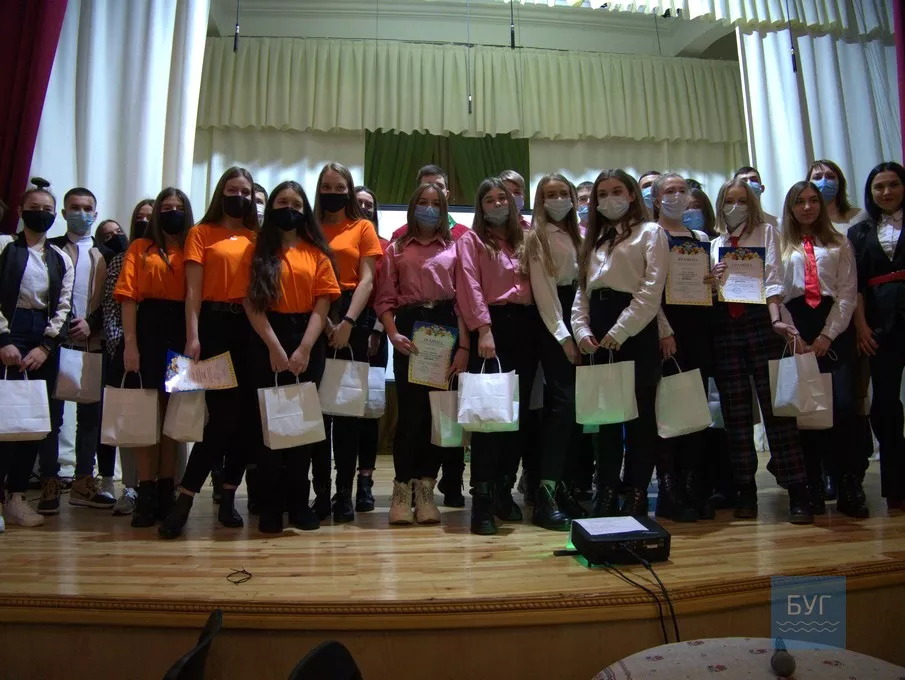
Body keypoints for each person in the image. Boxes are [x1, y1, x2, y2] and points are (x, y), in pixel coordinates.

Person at [158, 166, 259, 539]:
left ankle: (229, 496)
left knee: (245, 421)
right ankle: (185, 498)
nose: (240, 197)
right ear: (221, 192)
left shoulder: (257, 236)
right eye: (233, 190)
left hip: (251, 330)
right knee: (220, 420)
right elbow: (192, 291)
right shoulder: (200, 233)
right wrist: (193, 336)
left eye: (246, 192)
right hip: (214, 330)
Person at [709, 178, 812, 524]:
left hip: (762, 322)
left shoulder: (766, 232)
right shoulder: (716, 243)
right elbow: (711, 291)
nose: (734, 206)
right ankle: (745, 491)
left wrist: (776, 319)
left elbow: (773, 279)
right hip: (725, 326)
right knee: (735, 413)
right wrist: (712, 278)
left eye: (741, 200)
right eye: (729, 200)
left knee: (778, 409)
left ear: (751, 203)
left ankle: (798, 490)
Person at [241, 180, 340, 533]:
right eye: (282, 202)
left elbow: (322, 305)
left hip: (307, 339)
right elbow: (251, 303)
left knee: (302, 427)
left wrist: (304, 349)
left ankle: (298, 503)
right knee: (269, 426)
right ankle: (271, 505)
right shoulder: (255, 250)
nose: (289, 208)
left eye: (296, 204)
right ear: (271, 207)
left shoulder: (318, 253)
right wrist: (274, 347)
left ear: (305, 210)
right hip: (266, 338)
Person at [571, 170, 666, 517]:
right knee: (606, 418)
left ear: (631, 195)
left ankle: (636, 490)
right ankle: (606, 489)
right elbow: (583, 291)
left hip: (634, 328)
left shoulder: (651, 232)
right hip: (598, 330)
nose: (609, 199)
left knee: (640, 417)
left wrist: (622, 330)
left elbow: (651, 291)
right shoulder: (594, 240)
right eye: (602, 194)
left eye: (616, 191)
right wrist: (580, 328)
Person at [376, 183, 469, 525]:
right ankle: (402, 489)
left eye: (435, 203)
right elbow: (384, 299)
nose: (429, 208)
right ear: (413, 207)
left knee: (436, 415)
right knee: (411, 415)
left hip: (446, 329)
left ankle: (426, 489)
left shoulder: (456, 247)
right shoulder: (397, 248)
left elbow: (464, 299)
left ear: (444, 210)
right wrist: (392, 333)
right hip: (410, 330)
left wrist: (464, 346)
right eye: (423, 202)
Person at [779, 181, 868, 518]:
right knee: (804, 411)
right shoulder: (780, 245)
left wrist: (828, 334)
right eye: (799, 201)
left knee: (843, 407)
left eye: (813, 200)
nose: (807, 207)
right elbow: (774, 293)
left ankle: (848, 483)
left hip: (834, 329)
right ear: (790, 208)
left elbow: (847, 293)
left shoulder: (839, 242)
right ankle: (811, 485)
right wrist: (793, 336)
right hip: (795, 327)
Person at [456, 177, 540, 535]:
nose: (497, 204)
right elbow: (469, 285)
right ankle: (482, 501)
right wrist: (483, 329)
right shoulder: (471, 240)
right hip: (492, 328)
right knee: (490, 420)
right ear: (480, 206)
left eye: (502, 198)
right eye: (489, 199)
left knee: (517, 419)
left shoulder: (527, 238)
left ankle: (504, 491)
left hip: (528, 327)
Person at [114, 188, 194, 527]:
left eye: (178, 207)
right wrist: (130, 345)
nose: (172, 212)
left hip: (182, 333)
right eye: (166, 207)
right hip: (148, 332)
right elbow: (128, 298)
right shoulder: (139, 247)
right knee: (147, 414)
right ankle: (145, 490)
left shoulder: (194, 246)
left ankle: (166, 488)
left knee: (174, 415)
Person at [311, 162, 384, 523]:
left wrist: (348, 323)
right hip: (314, 315)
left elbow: (367, 280)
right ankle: (321, 493)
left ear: (349, 190)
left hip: (353, 315)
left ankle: (344, 494)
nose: (333, 192)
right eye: (327, 186)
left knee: (347, 413)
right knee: (318, 413)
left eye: (340, 187)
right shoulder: (310, 227)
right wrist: (324, 322)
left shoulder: (362, 227)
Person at [0, 179, 74, 530]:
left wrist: (46, 346)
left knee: (33, 423)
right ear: (20, 211)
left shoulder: (60, 258)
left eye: (47, 209)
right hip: (8, 332)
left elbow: (63, 307)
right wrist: (3, 340)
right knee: (3, 420)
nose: (41, 214)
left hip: (41, 340)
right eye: (34, 208)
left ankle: (16, 497)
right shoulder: (4, 247)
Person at [40, 187, 115, 514]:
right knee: (51, 416)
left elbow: (111, 299)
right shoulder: (50, 249)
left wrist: (91, 323)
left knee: (90, 418)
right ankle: (49, 479)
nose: (80, 213)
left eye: (87, 208)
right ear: (63, 212)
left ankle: (84, 480)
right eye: (74, 207)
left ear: (95, 214)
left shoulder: (106, 254)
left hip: (92, 343)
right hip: (54, 344)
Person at [524, 173, 587, 530]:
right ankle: (544, 491)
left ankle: (564, 486)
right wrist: (564, 337)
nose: (559, 199)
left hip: (581, 317)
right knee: (563, 405)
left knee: (578, 410)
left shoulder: (581, 234)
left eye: (564, 193)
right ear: (541, 200)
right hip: (555, 323)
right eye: (551, 194)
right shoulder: (537, 237)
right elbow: (545, 293)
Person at [653, 173, 715, 521]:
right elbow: (648, 290)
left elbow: (708, 290)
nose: (676, 196)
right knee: (668, 408)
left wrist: (714, 282)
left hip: (697, 329)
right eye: (669, 191)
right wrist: (664, 330)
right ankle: (668, 488)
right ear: (656, 198)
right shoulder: (651, 235)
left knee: (695, 406)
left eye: (681, 190)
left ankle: (692, 484)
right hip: (666, 332)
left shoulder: (700, 238)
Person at [848, 162, 905, 512]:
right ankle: (897, 486)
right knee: (885, 403)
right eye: (878, 187)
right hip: (880, 324)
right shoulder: (859, 232)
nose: (886, 192)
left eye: (893, 185)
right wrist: (862, 326)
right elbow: (855, 286)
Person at [101, 199, 153, 516]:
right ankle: (132, 486)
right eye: (141, 217)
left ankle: (169, 485)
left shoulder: (177, 254)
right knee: (132, 419)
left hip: (163, 346)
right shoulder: (122, 258)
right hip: (128, 349)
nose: (146, 221)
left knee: (170, 420)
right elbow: (111, 308)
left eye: (151, 216)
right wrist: (119, 347)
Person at [353, 186, 388, 512]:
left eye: (369, 205)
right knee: (338, 408)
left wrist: (377, 331)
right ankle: (336, 485)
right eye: (358, 202)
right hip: (340, 328)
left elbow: (387, 293)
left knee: (368, 412)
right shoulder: (337, 240)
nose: (364, 208)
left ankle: (365, 482)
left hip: (374, 331)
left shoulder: (386, 246)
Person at [390, 165, 469, 242]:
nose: (433, 190)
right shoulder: (400, 236)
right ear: (417, 194)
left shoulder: (465, 236)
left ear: (447, 195)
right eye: (427, 185)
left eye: (439, 186)